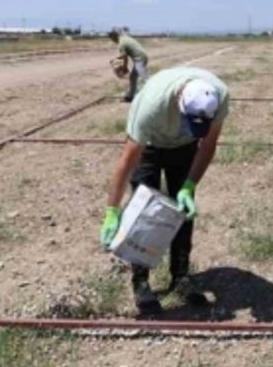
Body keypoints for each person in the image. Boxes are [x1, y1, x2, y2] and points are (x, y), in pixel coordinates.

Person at [98, 66, 230, 314]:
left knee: (182, 213)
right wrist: (112, 212)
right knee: (144, 212)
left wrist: (189, 186)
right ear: (179, 100)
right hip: (150, 145)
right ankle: (141, 282)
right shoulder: (151, 105)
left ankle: (180, 277)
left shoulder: (219, 96)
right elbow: (127, 161)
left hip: (184, 148)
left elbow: (208, 144)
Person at [108, 28, 149, 102]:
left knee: (144, 78)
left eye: (112, 39)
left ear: (114, 37)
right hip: (141, 57)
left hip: (139, 59)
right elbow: (124, 55)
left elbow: (125, 57)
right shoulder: (124, 38)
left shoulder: (121, 43)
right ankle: (130, 97)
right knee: (133, 77)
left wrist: (124, 67)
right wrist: (116, 58)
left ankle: (152, 95)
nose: (113, 41)